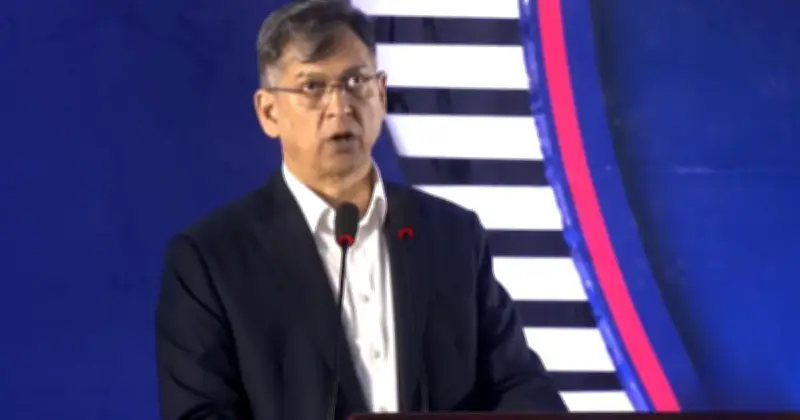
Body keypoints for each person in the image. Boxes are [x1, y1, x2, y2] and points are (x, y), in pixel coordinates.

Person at [154, 1, 568, 419]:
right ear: (269, 112)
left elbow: (519, 385)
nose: (340, 106)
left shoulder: (452, 236)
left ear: (381, 94)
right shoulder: (213, 260)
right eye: (312, 87)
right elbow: (199, 412)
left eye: (355, 81)